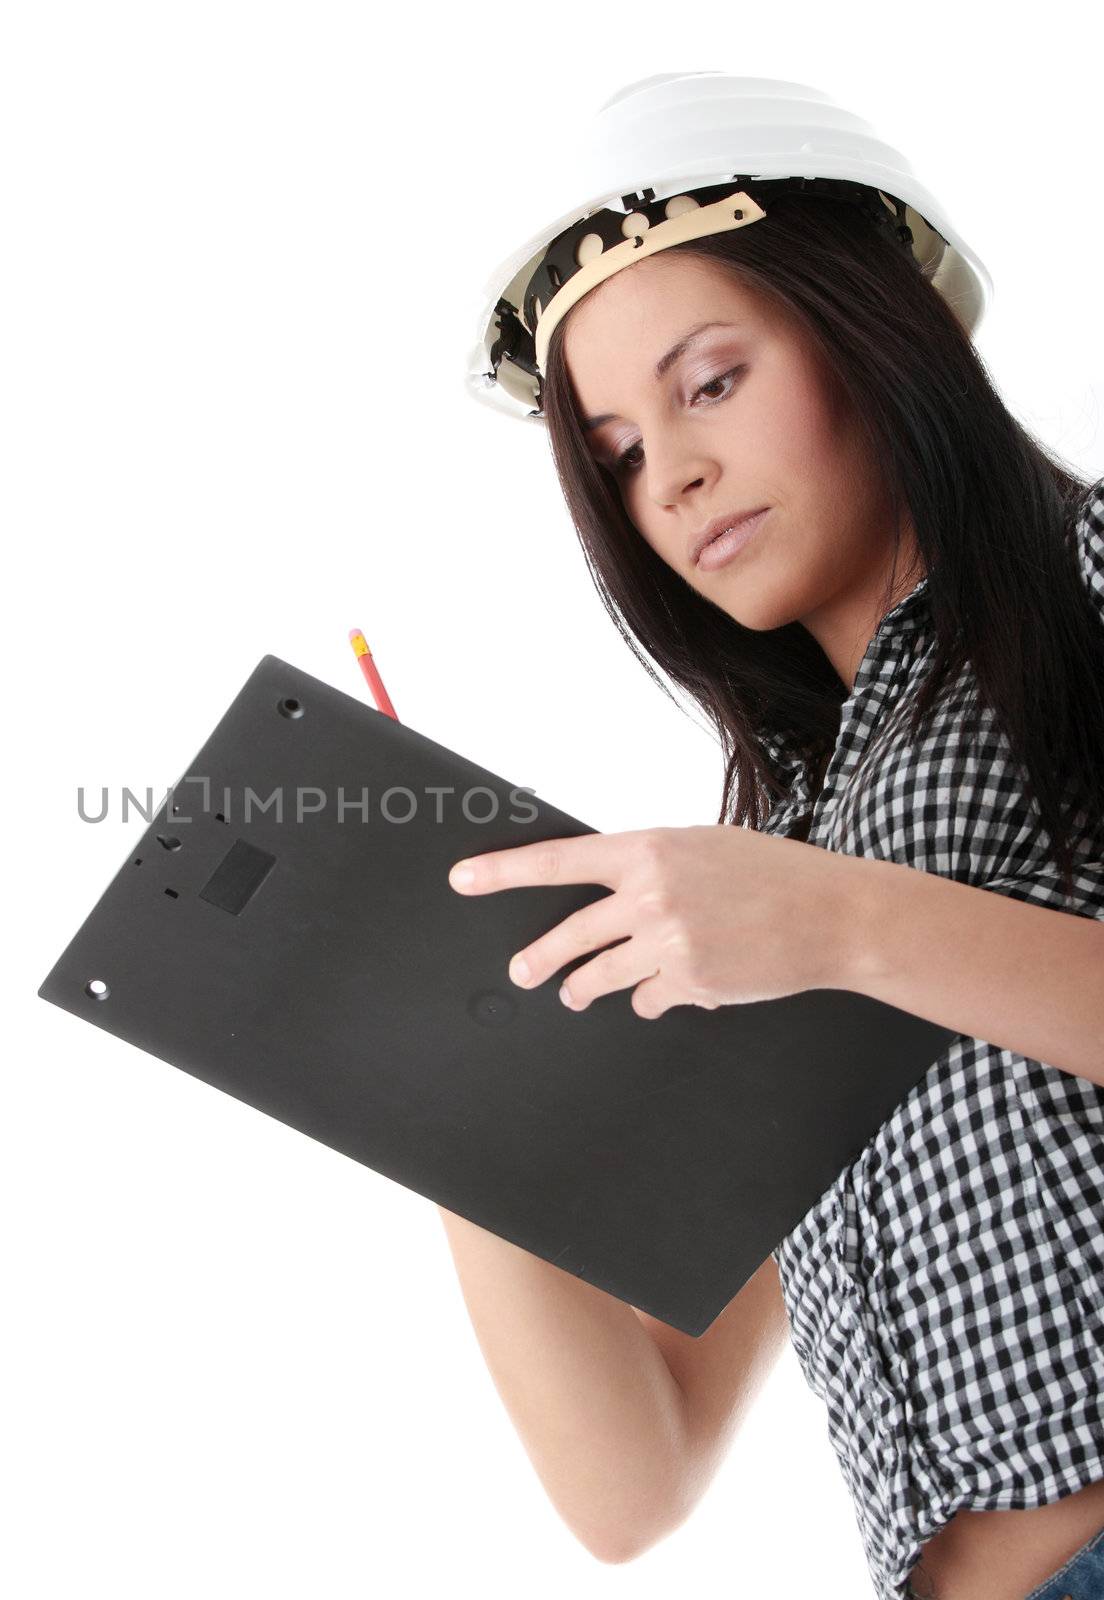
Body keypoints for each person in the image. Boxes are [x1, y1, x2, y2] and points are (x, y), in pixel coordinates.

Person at [442, 73, 1104, 1600]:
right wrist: (438, 1085)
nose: (665, 475)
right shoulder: (771, 862)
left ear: (876, 327)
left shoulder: (1085, 584)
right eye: (610, 454)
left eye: (712, 382)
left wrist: (842, 925)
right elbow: (635, 1481)